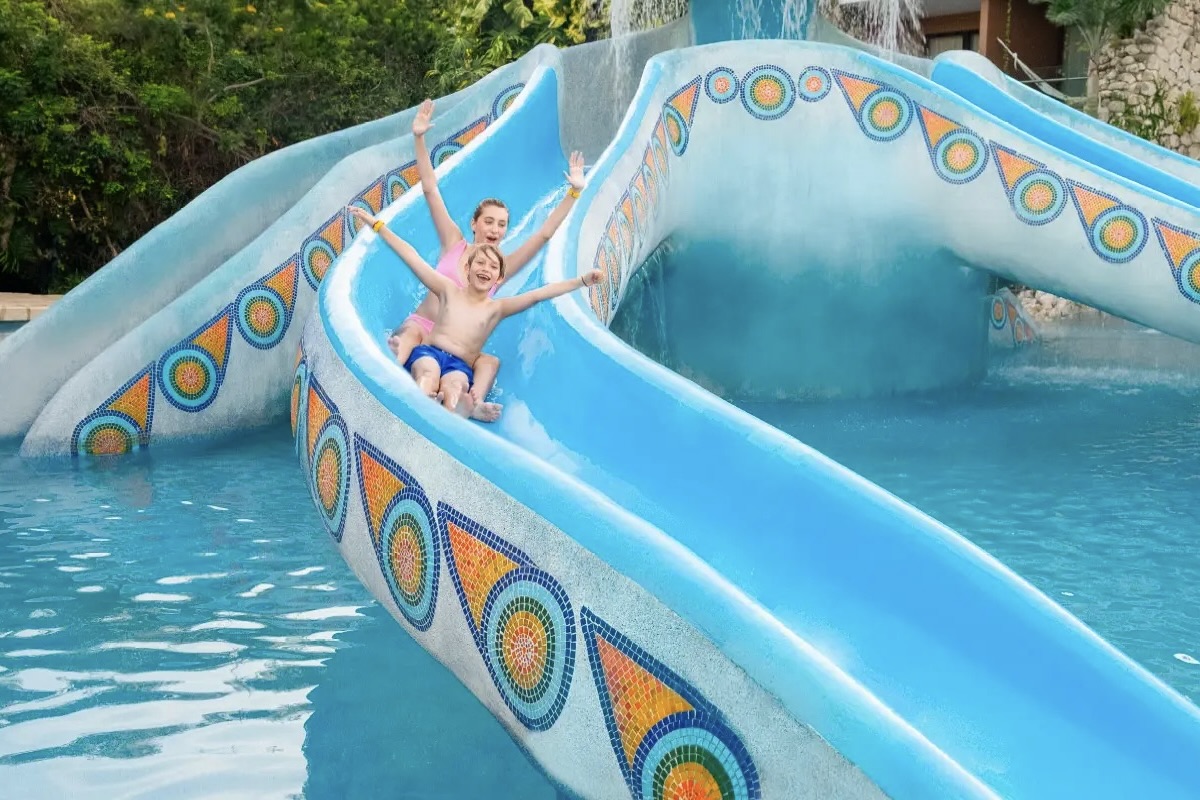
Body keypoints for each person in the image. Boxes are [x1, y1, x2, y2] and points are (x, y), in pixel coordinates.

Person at [385, 98, 586, 423]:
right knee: (408, 339)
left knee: (486, 362)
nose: (495, 229)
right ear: (474, 224)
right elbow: (430, 190)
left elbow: (544, 235)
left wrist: (574, 192)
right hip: (424, 328)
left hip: (460, 348)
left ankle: (467, 403)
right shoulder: (454, 242)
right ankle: (395, 385)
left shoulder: (498, 269)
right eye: (489, 221)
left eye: (502, 224)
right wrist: (419, 139)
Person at [348, 205, 601, 417]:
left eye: (492, 267)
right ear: (467, 269)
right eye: (480, 262)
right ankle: (422, 401)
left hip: (459, 365)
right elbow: (412, 257)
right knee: (428, 372)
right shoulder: (448, 289)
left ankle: (455, 407)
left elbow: (539, 294)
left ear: (499, 278)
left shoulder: (497, 308)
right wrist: (377, 224)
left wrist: (581, 281)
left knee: (456, 386)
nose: (485, 268)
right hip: (430, 352)